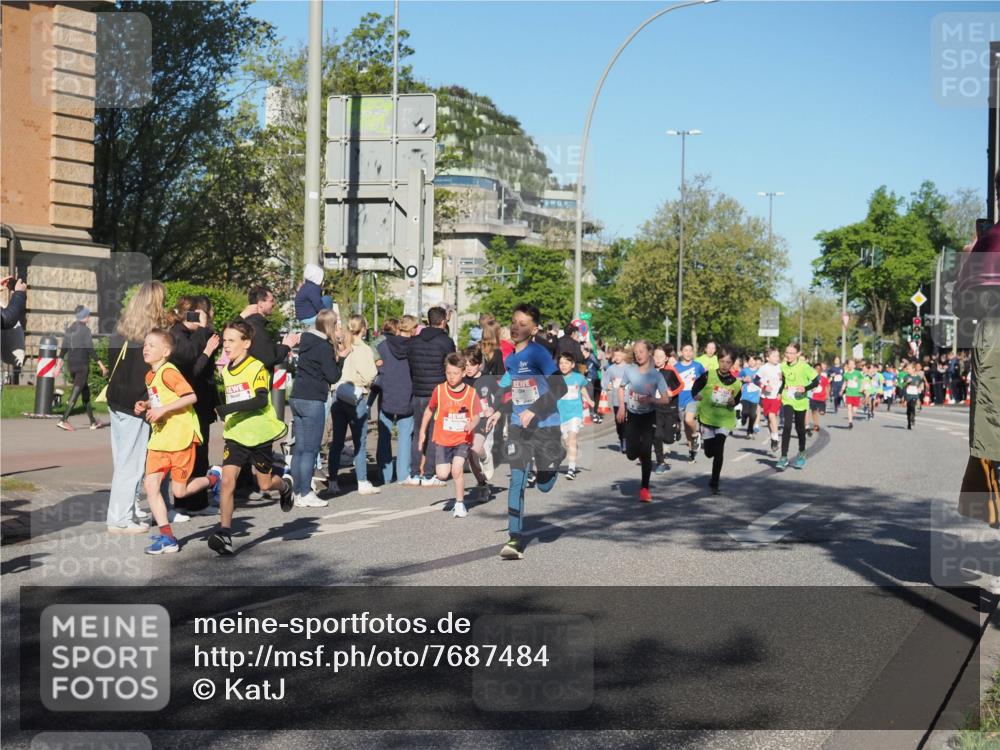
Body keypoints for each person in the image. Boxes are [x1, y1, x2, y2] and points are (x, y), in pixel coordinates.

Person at [489, 303, 567, 560]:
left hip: (545, 426)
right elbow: (509, 389)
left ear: (534, 329)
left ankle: (555, 459)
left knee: (544, 486)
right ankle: (514, 538)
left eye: (523, 324)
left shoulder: (539, 354)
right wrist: (497, 410)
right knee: (516, 480)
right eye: (514, 321)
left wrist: (534, 409)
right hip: (518, 429)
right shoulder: (510, 359)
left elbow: (561, 388)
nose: (516, 327)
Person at [211, 320, 293, 555]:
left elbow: (259, 399)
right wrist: (226, 412)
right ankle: (225, 533)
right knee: (227, 482)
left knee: (264, 484)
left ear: (246, 343)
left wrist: (226, 409)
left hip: (258, 433)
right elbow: (232, 398)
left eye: (231, 341)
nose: (226, 346)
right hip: (236, 434)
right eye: (224, 341)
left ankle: (285, 485)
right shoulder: (227, 370)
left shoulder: (256, 367)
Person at [134, 329, 217, 554]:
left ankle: (213, 478)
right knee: (151, 485)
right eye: (145, 344)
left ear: (166, 351)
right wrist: (147, 405)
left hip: (180, 438)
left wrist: (162, 409)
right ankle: (167, 537)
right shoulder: (150, 375)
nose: (146, 348)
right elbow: (160, 399)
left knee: (180, 492)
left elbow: (191, 397)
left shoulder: (169, 372)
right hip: (160, 439)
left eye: (152, 345)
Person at [105, 282, 169, 534]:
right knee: (130, 465)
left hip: (116, 400)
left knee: (123, 460)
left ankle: (126, 514)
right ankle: (119, 519)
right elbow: (151, 373)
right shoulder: (151, 337)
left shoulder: (121, 329)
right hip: (137, 404)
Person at [166, 296, 219, 514]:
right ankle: (188, 503)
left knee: (199, 453)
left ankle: (195, 501)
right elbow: (191, 370)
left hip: (201, 401)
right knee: (191, 454)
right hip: (190, 403)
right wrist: (206, 349)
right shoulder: (178, 336)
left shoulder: (189, 334)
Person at [289, 309, 342, 508]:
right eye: (336, 324)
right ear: (330, 326)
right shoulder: (323, 347)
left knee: (300, 448)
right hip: (313, 399)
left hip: (297, 396)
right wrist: (342, 358)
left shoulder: (306, 341)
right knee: (310, 449)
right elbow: (333, 377)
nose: (338, 327)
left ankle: (297, 492)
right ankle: (305, 492)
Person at [418, 352, 481, 518]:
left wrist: (472, 424)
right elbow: (429, 410)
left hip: (463, 438)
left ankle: (460, 504)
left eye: (455, 373)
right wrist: (422, 432)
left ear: (463, 372)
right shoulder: (439, 390)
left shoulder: (471, 393)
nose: (451, 377)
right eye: (448, 373)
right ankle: (459, 493)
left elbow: (476, 415)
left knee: (457, 469)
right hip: (443, 439)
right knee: (442, 474)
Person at [404, 306, 456, 486]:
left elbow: (410, 366)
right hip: (438, 392)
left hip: (417, 391)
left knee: (418, 432)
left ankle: (414, 472)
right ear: (443, 321)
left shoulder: (414, 342)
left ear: (428, 320)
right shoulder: (446, 342)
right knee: (435, 434)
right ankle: (428, 474)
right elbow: (452, 366)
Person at [328, 315, 380, 495]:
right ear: (364, 328)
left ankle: (333, 480)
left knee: (337, 441)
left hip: (337, 394)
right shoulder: (363, 349)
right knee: (360, 441)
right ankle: (362, 481)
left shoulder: (340, 345)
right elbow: (369, 376)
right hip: (355, 395)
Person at [616, 340, 672, 503]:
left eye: (641, 351)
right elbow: (621, 387)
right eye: (636, 352)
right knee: (631, 455)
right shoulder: (629, 371)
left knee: (647, 451)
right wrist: (621, 406)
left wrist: (651, 400)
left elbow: (665, 399)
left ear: (649, 353)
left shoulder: (656, 375)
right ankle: (638, 452)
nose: (638, 354)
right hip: (632, 415)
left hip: (649, 417)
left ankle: (644, 489)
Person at [691, 346, 742, 494]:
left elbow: (737, 400)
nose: (724, 365)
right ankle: (704, 442)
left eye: (728, 362)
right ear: (718, 361)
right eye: (722, 361)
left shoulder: (737, 383)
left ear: (732, 364)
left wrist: (734, 402)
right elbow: (695, 387)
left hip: (724, 419)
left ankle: (715, 480)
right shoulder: (708, 375)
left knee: (719, 449)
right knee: (709, 453)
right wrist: (696, 395)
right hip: (708, 418)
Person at [376, 314, 415, 486]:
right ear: (413, 329)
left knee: (384, 435)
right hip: (408, 394)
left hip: (387, 394)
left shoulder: (383, 346)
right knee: (405, 436)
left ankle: (384, 476)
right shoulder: (414, 348)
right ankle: (403, 475)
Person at [56, 305, 108, 431]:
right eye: (88, 315)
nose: (89, 317)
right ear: (84, 317)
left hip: (72, 366)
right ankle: (64, 419)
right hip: (82, 367)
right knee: (76, 391)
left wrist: (58, 366)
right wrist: (102, 365)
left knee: (85, 394)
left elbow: (63, 350)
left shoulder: (69, 330)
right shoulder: (85, 331)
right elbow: (90, 350)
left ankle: (93, 422)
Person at [776, 343, 819, 471]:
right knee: (787, 426)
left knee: (800, 428)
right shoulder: (782, 366)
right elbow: (784, 381)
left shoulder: (804, 367)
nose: (788, 355)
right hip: (788, 399)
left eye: (791, 353)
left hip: (800, 401)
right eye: (786, 353)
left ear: (798, 354)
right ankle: (783, 457)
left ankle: (801, 453)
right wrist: (779, 392)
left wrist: (805, 388)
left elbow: (816, 381)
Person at [241, 285, 299, 372]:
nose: (274, 304)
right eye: (271, 301)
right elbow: (268, 358)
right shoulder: (255, 326)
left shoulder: (252, 323)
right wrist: (286, 346)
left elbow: (264, 350)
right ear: (260, 304)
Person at [557, 351, 594, 480]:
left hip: (575, 413)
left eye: (566, 363)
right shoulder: (556, 379)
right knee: (568, 443)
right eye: (561, 363)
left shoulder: (579, 377)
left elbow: (582, 388)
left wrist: (588, 400)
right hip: (561, 415)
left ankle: (571, 469)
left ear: (572, 365)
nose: (563, 365)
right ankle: (572, 449)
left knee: (572, 439)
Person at [651, 344, 683, 473]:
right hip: (655, 408)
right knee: (656, 435)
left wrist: (672, 393)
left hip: (670, 408)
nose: (657, 359)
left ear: (666, 358)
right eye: (655, 356)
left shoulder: (671, 371)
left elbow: (681, 385)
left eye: (660, 357)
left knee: (668, 439)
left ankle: (676, 429)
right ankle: (661, 462)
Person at [674, 344, 707, 462]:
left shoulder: (697, 366)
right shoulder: (676, 367)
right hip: (680, 400)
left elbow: (705, 380)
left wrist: (702, 392)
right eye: (685, 350)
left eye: (690, 351)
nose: (688, 353)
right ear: (681, 352)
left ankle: (696, 434)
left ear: (693, 352)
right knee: (686, 427)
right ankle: (691, 451)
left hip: (693, 398)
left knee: (689, 420)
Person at [755, 347, 783, 454]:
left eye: (778, 355)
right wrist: (763, 386)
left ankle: (776, 438)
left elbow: (785, 380)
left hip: (776, 396)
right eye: (774, 356)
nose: (777, 358)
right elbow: (755, 379)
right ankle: (773, 438)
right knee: (769, 420)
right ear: (767, 358)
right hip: (766, 396)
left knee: (772, 415)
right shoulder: (763, 368)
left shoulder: (781, 367)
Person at [603, 345, 629, 452]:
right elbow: (604, 381)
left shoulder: (629, 368)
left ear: (624, 355)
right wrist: (606, 385)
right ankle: (621, 438)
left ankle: (627, 441)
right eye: (615, 355)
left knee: (627, 421)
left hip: (628, 399)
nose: (617, 357)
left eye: (619, 355)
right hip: (616, 400)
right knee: (619, 422)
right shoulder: (611, 369)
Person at [738, 354, 762, 439]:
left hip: (755, 396)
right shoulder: (744, 370)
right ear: (747, 362)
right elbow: (738, 378)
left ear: (756, 361)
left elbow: (763, 381)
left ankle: (750, 432)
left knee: (752, 415)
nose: (751, 362)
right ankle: (743, 418)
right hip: (745, 395)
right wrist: (743, 379)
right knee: (745, 412)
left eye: (753, 360)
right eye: (750, 361)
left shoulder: (760, 371)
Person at [808, 362, 829, 436]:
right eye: (816, 369)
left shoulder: (824, 378)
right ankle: (816, 425)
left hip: (822, 398)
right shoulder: (810, 378)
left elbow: (827, 387)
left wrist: (827, 394)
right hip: (813, 397)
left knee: (821, 413)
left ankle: (823, 410)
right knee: (814, 412)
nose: (817, 371)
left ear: (821, 370)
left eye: (819, 369)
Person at [902, 362, 924, 429]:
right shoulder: (906, 376)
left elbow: (921, 383)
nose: (907, 370)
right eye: (907, 369)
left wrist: (920, 388)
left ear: (913, 369)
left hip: (915, 395)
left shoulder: (918, 377)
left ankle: (913, 419)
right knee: (908, 410)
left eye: (909, 369)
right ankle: (909, 422)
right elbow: (902, 386)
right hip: (908, 395)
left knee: (912, 406)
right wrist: (907, 382)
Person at [842, 358, 863, 428]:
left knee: (854, 410)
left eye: (852, 364)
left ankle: (851, 417)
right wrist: (842, 390)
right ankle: (850, 422)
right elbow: (845, 383)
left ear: (854, 365)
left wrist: (862, 388)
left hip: (856, 393)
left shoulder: (858, 373)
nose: (851, 365)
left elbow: (863, 381)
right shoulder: (845, 374)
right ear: (847, 365)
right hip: (849, 393)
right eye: (849, 364)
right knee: (849, 408)